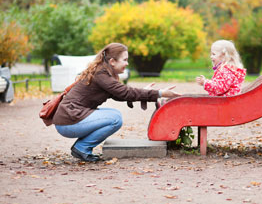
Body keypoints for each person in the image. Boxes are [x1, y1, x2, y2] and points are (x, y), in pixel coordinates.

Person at [52, 43, 180, 162]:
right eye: (124, 60)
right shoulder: (101, 74)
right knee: (115, 118)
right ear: (112, 61)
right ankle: (82, 148)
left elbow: (120, 94)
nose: (127, 63)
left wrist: (144, 93)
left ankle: (82, 147)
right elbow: (125, 92)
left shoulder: (104, 73)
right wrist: (159, 93)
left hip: (70, 119)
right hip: (68, 121)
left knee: (112, 114)